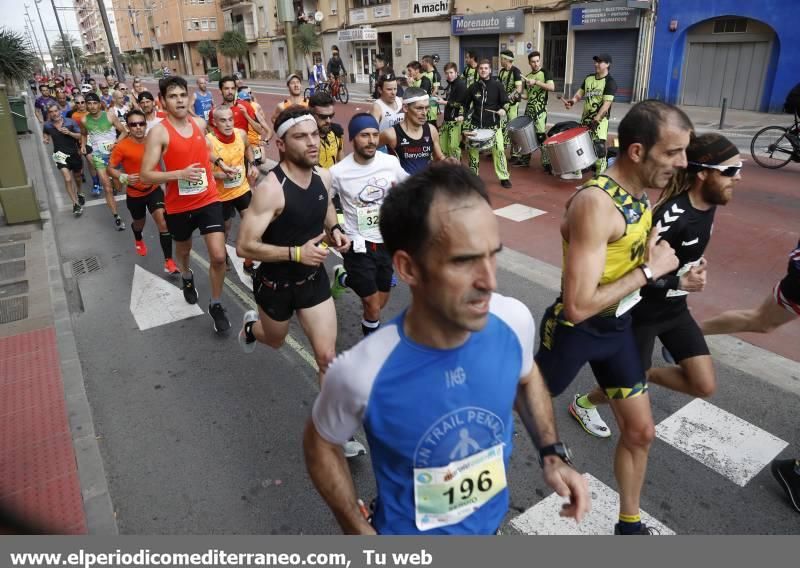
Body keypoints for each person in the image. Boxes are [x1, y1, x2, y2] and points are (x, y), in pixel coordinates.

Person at [304, 163, 590, 535]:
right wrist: (356, 527)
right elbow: (320, 446)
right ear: (408, 268)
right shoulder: (362, 372)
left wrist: (551, 453)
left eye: (492, 255)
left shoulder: (513, 320)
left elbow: (527, 375)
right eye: (463, 261)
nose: (489, 281)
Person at [534, 100, 692, 535]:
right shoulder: (596, 204)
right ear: (638, 152)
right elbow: (578, 305)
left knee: (640, 433)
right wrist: (648, 270)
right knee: (518, 402)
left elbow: (631, 261)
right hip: (576, 332)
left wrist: (666, 269)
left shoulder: (640, 195)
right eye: (673, 153)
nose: (681, 163)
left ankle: (629, 525)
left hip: (618, 330)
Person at [569, 133, 741, 439]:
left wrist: (696, 269)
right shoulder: (670, 217)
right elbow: (638, 272)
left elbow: (685, 255)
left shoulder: (710, 203)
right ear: (703, 173)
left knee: (704, 385)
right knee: (621, 388)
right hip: (641, 314)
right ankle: (584, 403)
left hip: (675, 309)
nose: (738, 178)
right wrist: (679, 280)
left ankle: (643, 375)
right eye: (730, 171)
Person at [235, 107, 360, 453]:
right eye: (300, 137)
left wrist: (334, 229)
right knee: (273, 339)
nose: (311, 143)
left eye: (314, 135)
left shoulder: (323, 177)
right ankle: (251, 328)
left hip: (312, 280)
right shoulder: (270, 190)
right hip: (275, 284)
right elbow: (245, 245)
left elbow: (325, 207)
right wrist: (295, 253)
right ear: (281, 143)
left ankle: (336, 431)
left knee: (327, 357)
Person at [140, 75, 231, 334]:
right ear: (163, 101)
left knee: (218, 255)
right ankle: (187, 276)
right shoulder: (159, 132)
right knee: (184, 249)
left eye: (182, 95)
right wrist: (177, 175)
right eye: (172, 96)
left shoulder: (200, 124)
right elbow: (146, 174)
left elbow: (205, 151)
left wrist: (220, 162)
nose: (179, 100)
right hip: (178, 205)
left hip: (208, 198)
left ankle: (215, 304)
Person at [328, 114, 408, 336]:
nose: (372, 140)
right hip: (357, 244)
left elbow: (410, 186)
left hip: (385, 242)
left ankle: (343, 278)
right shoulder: (338, 172)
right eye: (365, 135)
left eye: (374, 134)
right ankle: (370, 354)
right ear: (353, 138)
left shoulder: (390, 163)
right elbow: (324, 201)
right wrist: (334, 228)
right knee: (372, 308)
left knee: (380, 302)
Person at [108, 108, 180, 275]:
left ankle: (169, 261)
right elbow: (110, 168)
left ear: (146, 125)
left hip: (153, 189)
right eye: (134, 124)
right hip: (135, 194)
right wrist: (123, 177)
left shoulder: (153, 141)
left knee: (163, 222)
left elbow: (168, 156)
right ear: (128, 126)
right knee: (139, 224)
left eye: (141, 123)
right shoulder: (122, 147)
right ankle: (138, 236)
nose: (138, 127)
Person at [207, 106, 258, 274]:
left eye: (230, 119)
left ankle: (248, 262)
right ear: (214, 123)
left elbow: (248, 148)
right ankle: (224, 254)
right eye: (223, 120)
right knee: (226, 229)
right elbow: (204, 171)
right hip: (221, 195)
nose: (228, 124)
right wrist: (221, 175)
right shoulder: (209, 141)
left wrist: (252, 164)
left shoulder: (241, 134)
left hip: (242, 189)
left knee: (251, 224)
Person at [562, 53, 617, 179]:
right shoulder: (589, 78)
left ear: (608, 64)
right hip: (585, 119)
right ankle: (577, 172)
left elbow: (606, 105)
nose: (596, 64)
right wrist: (572, 101)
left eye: (600, 62)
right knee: (580, 146)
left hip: (600, 122)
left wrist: (596, 120)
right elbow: (579, 94)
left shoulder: (610, 82)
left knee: (599, 149)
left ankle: (600, 177)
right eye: (596, 61)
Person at [79, 92, 127, 230]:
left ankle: (114, 183)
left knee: (118, 187)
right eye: (89, 104)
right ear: (86, 105)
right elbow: (83, 134)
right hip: (98, 156)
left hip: (114, 154)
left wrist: (116, 143)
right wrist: (83, 145)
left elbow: (123, 132)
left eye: (95, 103)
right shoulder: (83, 120)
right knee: (106, 187)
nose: (92, 106)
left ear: (99, 104)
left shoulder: (110, 116)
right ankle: (116, 216)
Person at [463, 60, 511, 188]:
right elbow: (465, 105)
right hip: (476, 125)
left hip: (494, 125)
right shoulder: (473, 87)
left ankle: (504, 177)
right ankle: (473, 177)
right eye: (481, 68)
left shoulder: (498, 86)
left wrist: (503, 110)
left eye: (485, 68)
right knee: (473, 151)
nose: (483, 70)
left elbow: (506, 102)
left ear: (490, 70)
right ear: (478, 71)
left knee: (499, 150)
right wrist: (462, 117)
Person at [378, 87, 448, 176]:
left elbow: (438, 157)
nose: (424, 113)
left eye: (426, 108)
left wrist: (447, 162)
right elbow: (369, 152)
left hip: (424, 186)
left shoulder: (431, 130)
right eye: (419, 108)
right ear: (406, 108)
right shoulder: (391, 134)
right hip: (402, 188)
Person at [514, 51, 555, 170]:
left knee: (541, 136)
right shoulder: (528, 76)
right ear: (529, 62)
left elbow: (552, 87)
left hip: (540, 110)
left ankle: (546, 162)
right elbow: (527, 96)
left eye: (537, 61)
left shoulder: (545, 73)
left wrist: (536, 82)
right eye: (533, 61)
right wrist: (519, 96)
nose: (536, 64)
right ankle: (525, 160)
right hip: (529, 109)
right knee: (526, 135)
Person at [43, 103, 85, 216]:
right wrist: (46, 139)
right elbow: (46, 133)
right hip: (59, 155)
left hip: (74, 154)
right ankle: (75, 204)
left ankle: (80, 192)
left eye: (55, 111)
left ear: (60, 111)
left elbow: (80, 136)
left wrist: (70, 133)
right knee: (67, 179)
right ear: (49, 114)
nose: (54, 113)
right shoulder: (47, 125)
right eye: (51, 112)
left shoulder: (70, 122)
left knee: (77, 177)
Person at [235, 86, 273, 166]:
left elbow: (268, 130)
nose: (247, 103)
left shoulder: (255, 109)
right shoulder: (235, 111)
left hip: (255, 143)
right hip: (242, 144)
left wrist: (265, 141)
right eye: (244, 101)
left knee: (262, 160)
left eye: (249, 94)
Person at [438, 62, 467, 160]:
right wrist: (437, 95)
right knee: (443, 147)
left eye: (451, 72)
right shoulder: (449, 84)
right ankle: (448, 169)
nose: (449, 75)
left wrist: (445, 102)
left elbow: (461, 104)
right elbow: (445, 97)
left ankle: (457, 169)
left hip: (456, 120)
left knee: (453, 147)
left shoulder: (461, 85)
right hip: (447, 119)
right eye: (447, 73)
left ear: (456, 73)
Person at [369, 73, 404, 154]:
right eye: (389, 89)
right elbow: (371, 133)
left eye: (395, 89)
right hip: (384, 150)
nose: (393, 92)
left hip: (401, 147)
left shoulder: (400, 101)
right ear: (380, 90)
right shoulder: (377, 107)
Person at [309, 92, 344, 169]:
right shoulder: (304, 139)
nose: (329, 121)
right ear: (311, 114)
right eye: (323, 117)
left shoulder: (336, 133)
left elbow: (341, 161)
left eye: (331, 116)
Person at [497, 50, 523, 151]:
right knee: (501, 127)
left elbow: (519, 89)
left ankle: (515, 153)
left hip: (512, 105)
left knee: (512, 128)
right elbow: (498, 86)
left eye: (501, 59)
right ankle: (500, 148)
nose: (500, 61)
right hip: (503, 105)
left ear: (506, 60)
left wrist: (508, 97)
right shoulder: (502, 71)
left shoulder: (516, 71)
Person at [421, 56, 440, 126]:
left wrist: (428, 100)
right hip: (424, 101)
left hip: (432, 101)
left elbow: (436, 89)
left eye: (423, 62)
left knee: (432, 122)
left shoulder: (436, 74)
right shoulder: (424, 73)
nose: (421, 63)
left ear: (427, 63)